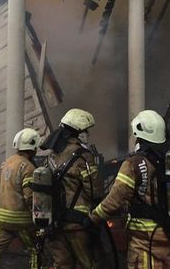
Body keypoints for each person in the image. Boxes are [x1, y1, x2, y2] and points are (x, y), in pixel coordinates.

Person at [90, 110, 170, 269]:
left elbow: (116, 199)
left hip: (144, 241)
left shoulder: (134, 163)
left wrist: (92, 218)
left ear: (140, 136)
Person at [42, 108, 102, 269]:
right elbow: (94, 191)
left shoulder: (51, 157)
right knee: (87, 264)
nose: (87, 134)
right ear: (77, 132)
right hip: (77, 224)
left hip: (54, 222)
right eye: (85, 131)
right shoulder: (84, 156)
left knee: (62, 265)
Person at [0, 128, 40, 269]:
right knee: (35, 249)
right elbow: (29, 197)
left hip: (2, 219)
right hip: (22, 221)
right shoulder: (29, 168)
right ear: (33, 147)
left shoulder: (7, 163)